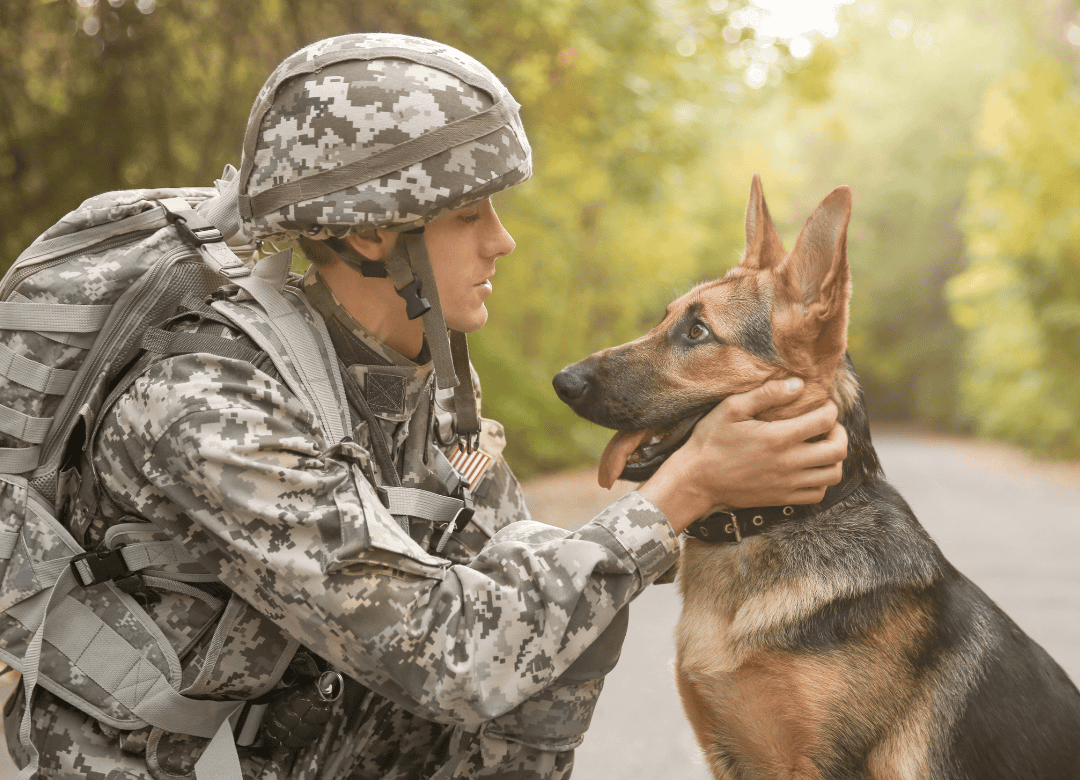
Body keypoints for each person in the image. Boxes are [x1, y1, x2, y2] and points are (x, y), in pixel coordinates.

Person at [5, 33, 847, 780]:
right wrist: (682, 493)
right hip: (169, 761)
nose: (501, 240)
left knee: (570, 621)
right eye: (468, 214)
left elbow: (511, 572)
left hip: (300, 743)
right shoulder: (209, 405)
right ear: (375, 237)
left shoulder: (412, 374)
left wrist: (715, 477)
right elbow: (450, 653)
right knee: (550, 613)